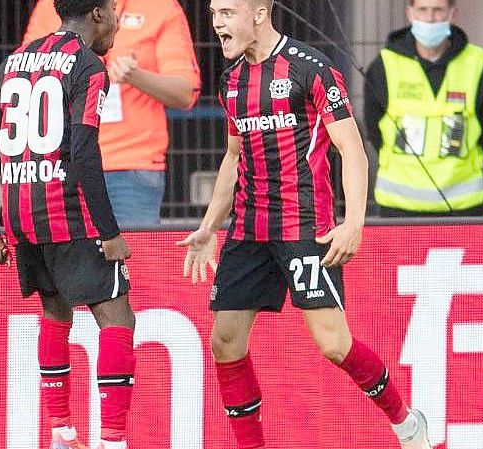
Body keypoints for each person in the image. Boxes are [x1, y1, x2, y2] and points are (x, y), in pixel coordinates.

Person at [177, 1, 432, 448]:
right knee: (225, 342)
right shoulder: (232, 80)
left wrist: (353, 222)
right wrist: (207, 227)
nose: (216, 22)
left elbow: (351, 149)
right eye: (214, 12)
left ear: (258, 14)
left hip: (304, 227)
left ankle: (406, 421)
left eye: (226, 12)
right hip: (249, 228)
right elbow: (233, 158)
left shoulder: (310, 68)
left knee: (334, 345)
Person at [0, 1, 134, 448]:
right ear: (98, 14)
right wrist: (109, 231)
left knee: (55, 312)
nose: (118, 21)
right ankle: (113, 440)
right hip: (68, 211)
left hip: (21, 213)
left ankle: (61, 432)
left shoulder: (13, 61)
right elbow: (83, 149)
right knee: (117, 317)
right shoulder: (87, 65)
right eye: (114, 12)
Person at [22, 0, 201, 227]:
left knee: (131, 258)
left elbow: (185, 93)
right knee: (65, 258)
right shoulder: (52, 5)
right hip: (61, 163)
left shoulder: (159, 6)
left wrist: (136, 76)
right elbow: (26, 73)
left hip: (129, 166)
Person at [365, 0, 483, 217]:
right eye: (422, 10)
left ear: (452, 14)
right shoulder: (385, 64)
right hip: (398, 206)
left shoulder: (478, 63)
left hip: (464, 206)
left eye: (438, 10)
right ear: (409, 14)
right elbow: (373, 128)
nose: (430, 18)